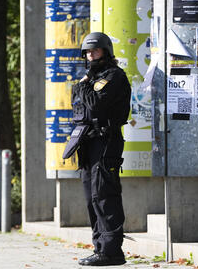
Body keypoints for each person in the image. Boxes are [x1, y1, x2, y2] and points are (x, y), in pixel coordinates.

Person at [71, 32, 131, 266]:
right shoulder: (93, 77)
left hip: (107, 142)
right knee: (91, 197)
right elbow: (78, 103)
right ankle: (100, 248)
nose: (90, 55)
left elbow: (95, 105)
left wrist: (83, 87)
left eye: (94, 51)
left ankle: (112, 251)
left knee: (104, 195)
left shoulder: (114, 76)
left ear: (106, 51)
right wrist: (84, 87)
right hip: (89, 142)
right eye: (87, 52)